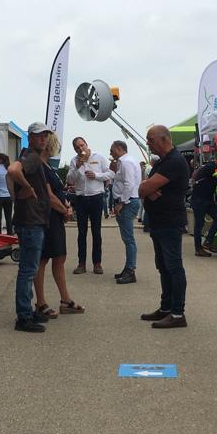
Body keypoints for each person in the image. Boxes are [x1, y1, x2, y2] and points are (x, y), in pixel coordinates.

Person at [139, 125, 190, 329]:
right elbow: (144, 188)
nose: (148, 143)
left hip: (170, 222)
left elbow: (145, 187)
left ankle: (177, 313)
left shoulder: (174, 161)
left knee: (173, 267)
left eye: (151, 139)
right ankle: (166, 307)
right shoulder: (163, 162)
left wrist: (149, 188)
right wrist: (149, 189)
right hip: (160, 222)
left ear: (164, 139)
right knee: (163, 267)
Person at [33, 132, 84, 319]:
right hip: (47, 218)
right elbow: (48, 195)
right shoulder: (41, 167)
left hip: (54, 218)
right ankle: (41, 302)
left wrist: (65, 207)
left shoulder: (48, 167)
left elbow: (56, 193)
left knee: (59, 257)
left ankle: (65, 299)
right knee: (43, 259)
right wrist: (64, 210)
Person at [9, 126, 51, 332]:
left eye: (46, 136)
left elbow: (11, 175)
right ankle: (24, 316)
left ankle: (26, 311)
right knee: (28, 270)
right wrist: (27, 188)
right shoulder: (32, 156)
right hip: (31, 221)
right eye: (39, 136)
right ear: (31, 137)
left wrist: (18, 195)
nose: (44, 139)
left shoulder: (29, 156)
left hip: (30, 220)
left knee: (29, 269)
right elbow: (12, 171)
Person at [66, 136, 113, 274]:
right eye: (77, 147)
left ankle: (97, 263)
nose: (80, 148)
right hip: (81, 198)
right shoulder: (74, 161)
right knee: (81, 232)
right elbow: (69, 180)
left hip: (96, 197)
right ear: (74, 149)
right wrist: (77, 167)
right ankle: (81, 263)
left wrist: (96, 175)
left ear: (86, 144)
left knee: (96, 232)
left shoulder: (98, 157)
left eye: (82, 145)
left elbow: (110, 173)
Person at [110, 139, 142, 284]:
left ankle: (130, 270)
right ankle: (128, 268)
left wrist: (121, 202)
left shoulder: (126, 162)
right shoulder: (127, 161)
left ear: (118, 148)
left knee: (128, 239)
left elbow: (129, 184)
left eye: (112, 150)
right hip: (128, 201)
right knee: (127, 238)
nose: (111, 153)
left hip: (127, 202)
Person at [190, 152, 217, 256]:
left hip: (208, 199)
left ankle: (208, 241)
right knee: (199, 224)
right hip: (199, 199)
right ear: (216, 160)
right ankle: (198, 249)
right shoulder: (211, 167)